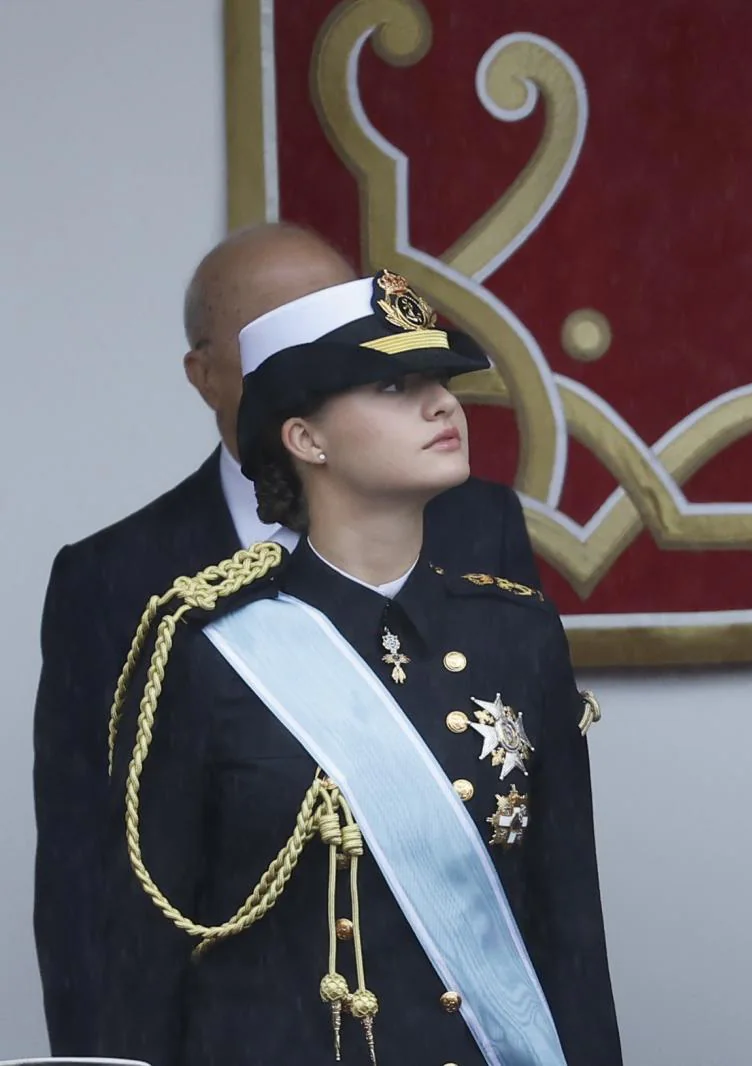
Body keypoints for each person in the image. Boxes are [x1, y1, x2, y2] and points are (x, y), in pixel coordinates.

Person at [31, 224, 541, 1054]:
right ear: (204, 375)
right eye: (277, 332)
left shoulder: (479, 526)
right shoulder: (114, 578)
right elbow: (95, 889)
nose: (323, 351)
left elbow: (534, 856)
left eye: (341, 322)